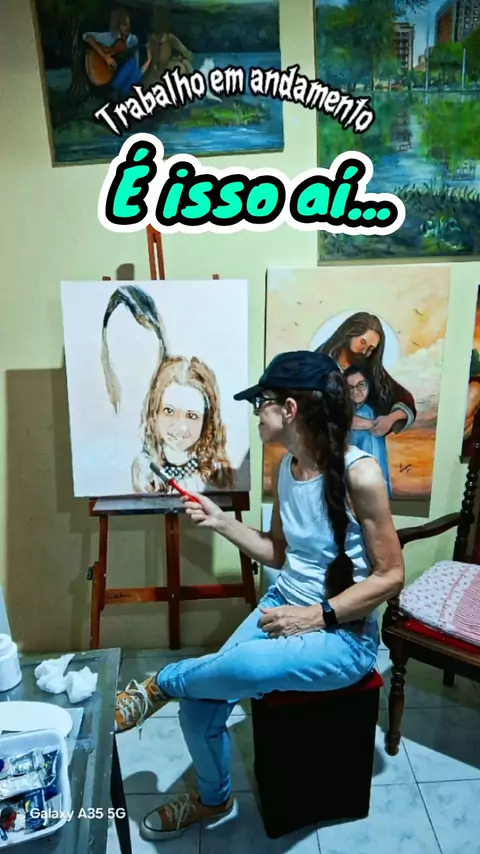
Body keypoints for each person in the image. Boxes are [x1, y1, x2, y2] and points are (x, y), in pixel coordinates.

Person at [115, 350, 404, 842]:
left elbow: (391, 576)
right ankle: (213, 798)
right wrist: (221, 522)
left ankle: (160, 683)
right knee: (199, 706)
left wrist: (315, 616)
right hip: (283, 606)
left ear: (289, 409)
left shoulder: (361, 474)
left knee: (244, 667)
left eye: (261, 402)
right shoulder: (286, 469)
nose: (256, 412)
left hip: (344, 633)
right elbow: (278, 553)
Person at [131, 355, 234, 494]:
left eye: (192, 416)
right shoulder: (144, 469)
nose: (180, 427)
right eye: (169, 411)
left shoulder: (215, 472)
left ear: (206, 422)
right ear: (155, 412)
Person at [316, 312, 416, 441]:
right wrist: (364, 423)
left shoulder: (367, 369)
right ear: (349, 334)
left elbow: (403, 398)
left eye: (371, 349)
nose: (364, 351)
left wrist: (390, 419)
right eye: (362, 342)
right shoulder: (318, 362)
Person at [344, 365, 392, 497]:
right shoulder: (353, 409)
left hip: (366, 478)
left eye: (361, 385)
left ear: (369, 385)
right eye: (350, 387)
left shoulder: (367, 411)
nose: (355, 391)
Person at [83, 8, 151, 97]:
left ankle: (117, 94)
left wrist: (148, 60)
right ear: (118, 25)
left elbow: (135, 67)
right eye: (124, 24)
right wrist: (106, 57)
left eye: (129, 24)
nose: (128, 27)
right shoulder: (110, 37)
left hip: (120, 77)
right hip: (107, 74)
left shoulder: (133, 40)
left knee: (132, 63)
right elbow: (87, 37)